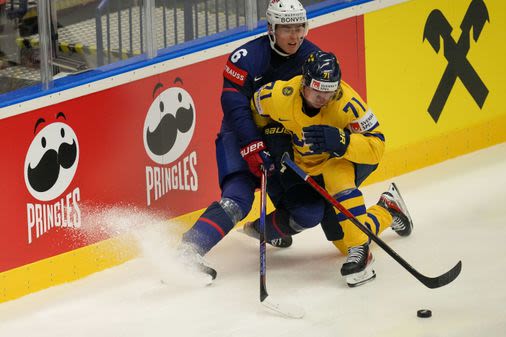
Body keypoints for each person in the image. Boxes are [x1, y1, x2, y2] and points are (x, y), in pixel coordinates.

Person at [245, 50, 414, 287]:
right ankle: (389, 209)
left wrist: (344, 142)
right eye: (317, 90)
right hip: (303, 170)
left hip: (339, 162)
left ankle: (361, 252)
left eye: (329, 90)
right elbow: (255, 109)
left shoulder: (348, 104)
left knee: (337, 173)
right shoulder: (279, 96)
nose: (323, 97)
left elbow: (377, 145)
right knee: (343, 243)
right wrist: (269, 136)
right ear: (303, 83)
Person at [179, 0, 320, 278]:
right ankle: (188, 250)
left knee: (309, 212)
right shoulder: (245, 57)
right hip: (241, 133)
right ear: (271, 28)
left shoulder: (313, 58)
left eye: (299, 27)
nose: (295, 36)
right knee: (237, 199)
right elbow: (233, 105)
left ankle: (262, 230)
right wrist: (251, 144)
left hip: (285, 140)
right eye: (286, 29)